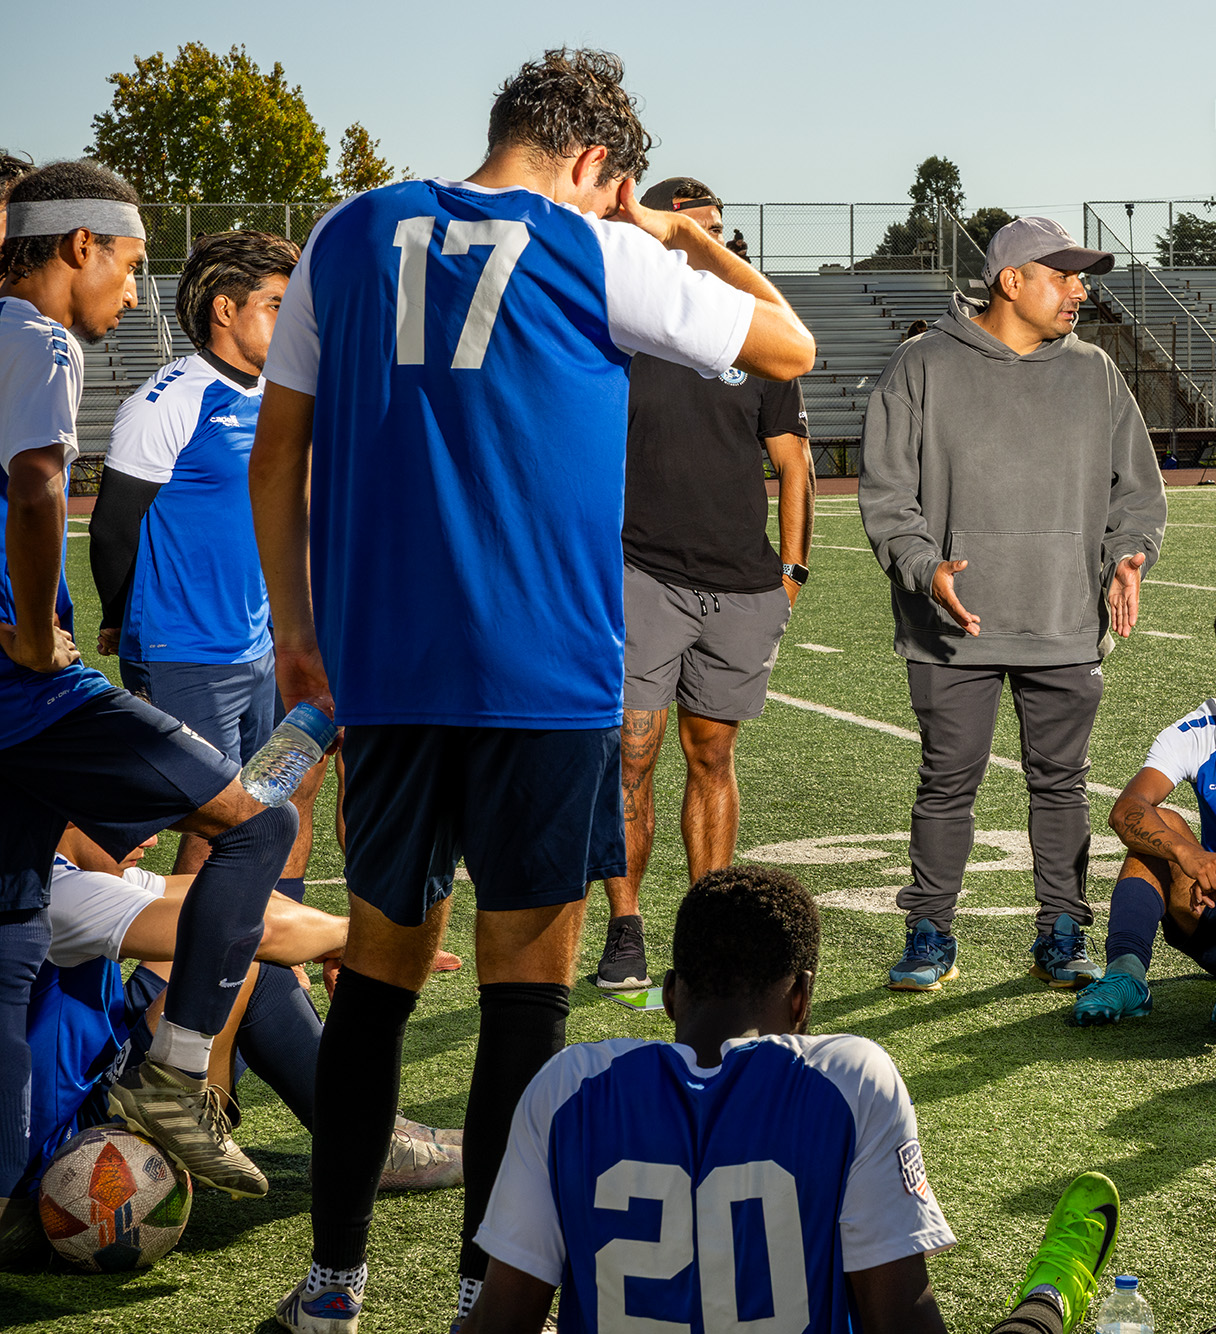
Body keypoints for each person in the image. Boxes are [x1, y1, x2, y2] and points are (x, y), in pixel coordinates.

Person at [248, 49, 815, 1331]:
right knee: (522, 997)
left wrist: (297, 629)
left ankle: (333, 1285)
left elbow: (278, 450)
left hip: (388, 670)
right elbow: (792, 342)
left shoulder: (350, 226)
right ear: (596, 164)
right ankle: (477, 1297)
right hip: (546, 678)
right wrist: (671, 234)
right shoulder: (598, 246)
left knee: (378, 983)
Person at [0, 161, 297, 1232]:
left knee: (14, 934)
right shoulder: (38, 341)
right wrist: (45, 632)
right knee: (255, 824)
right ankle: (173, 1070)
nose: (132, 294)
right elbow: (48, 489)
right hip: (37, 692)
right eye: (126, 264)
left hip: (213, 661)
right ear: (79, 245)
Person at [465, 865, 1119, 1334]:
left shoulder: (568, 1087)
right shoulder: (847, 1078)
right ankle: (1047, 1299)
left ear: (669, 995)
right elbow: (897, 1317)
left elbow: (502, 1321)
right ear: (803, 999)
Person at [858, 215, 1166, 992]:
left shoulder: (1097, 372)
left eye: (1081, 277)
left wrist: (1128, 557)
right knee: (946, 782)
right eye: (1064, 276)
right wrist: (926, 569)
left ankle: (1062, 928)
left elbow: (1139, 494)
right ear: (1011, 280)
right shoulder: (920, 366)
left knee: (1061, 784)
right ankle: (930, 930)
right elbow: (889, 496)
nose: (1080, 291)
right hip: (951, 626)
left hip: (1064, 619)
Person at [8, 824, 461, 1255]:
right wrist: (370, 945)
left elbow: (246, 899)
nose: (150, 836)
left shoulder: (57, 869)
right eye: (128, 820)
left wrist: (329, 942)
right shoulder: (58, 891)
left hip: (84, 1075)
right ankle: (369, 1143)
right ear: (68, 815)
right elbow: (243, 929)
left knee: (234, 940)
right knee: (243, 961)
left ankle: (377, 1129)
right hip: (59, 1147)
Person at [594, 176, 814, 991]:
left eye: (717, 229)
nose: (706, 241)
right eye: (689, 227)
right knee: (631, 755)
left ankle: (707, 933)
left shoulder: (753, 340)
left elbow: (793, 465)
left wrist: (791, 571)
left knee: (712, 753)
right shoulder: (622, 335)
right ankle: (625, 928)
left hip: (740, 582)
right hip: (642, 572)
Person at [89, 229, 325, 891]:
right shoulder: (169, 401)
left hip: (259, 647)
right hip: (186, 651)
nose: (294, 322)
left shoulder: (273, 396)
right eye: (278, 305)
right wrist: (121, 619)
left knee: (273, 805)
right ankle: (166, 993)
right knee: (213, 828)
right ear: (226, 310)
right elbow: (111, 529)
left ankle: (274, 970)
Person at [1073, 593, 1216, 1028]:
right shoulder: (1199, 729)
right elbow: (1127, 811)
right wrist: (1191, 856)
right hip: (1213, 912)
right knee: (1161, 826)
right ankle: (1126, 977)